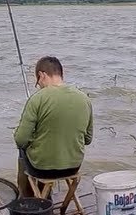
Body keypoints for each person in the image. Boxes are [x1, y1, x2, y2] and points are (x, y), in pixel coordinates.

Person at [13, 55, 93, 197]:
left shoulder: (37, 99)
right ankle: (45, 195)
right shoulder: (84, 98)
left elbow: (20, 140)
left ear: (41, 75)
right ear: (61, 74)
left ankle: (29, 200)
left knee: (22, 150)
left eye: (37, 82)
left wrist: (28, 137)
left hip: (43, 170)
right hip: (74, 167)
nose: (39, 85)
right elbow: (88, 139)